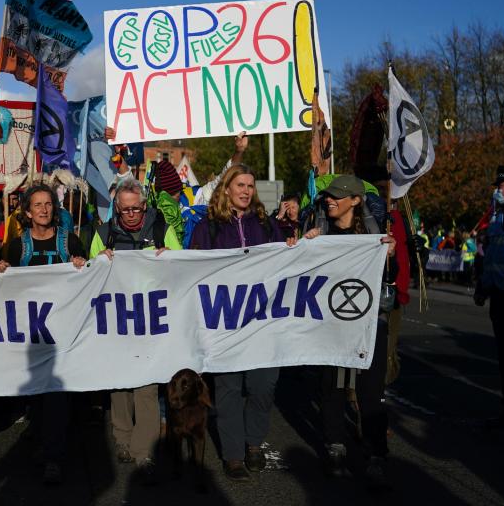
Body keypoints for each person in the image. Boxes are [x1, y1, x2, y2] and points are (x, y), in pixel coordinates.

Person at [188, 163, 285, 481]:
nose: (246, 191)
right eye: (240, 185)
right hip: (225, 322)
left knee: (262, 385)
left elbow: (284, 260)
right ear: (226, 188)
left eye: (250, 185)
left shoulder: (265, 224)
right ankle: (232, 456)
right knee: (228, 388)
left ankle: (254, 443)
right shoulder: (208, 227)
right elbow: (192, 268)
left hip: (261, 321)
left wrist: (296, 246)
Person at [299, 174, 397, 489]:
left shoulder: (374, 235)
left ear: (355, 201)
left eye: (337, 196)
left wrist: (390, 255)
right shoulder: (320, 232)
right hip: (332, 324)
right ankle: (335, 448)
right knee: (332, 386)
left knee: (371, 393)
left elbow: (389, 277)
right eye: (328, 196)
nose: (330, 200)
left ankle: (376, 456)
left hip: (369, 324)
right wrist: (304, 246)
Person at [87, 178, 181, 484]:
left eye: (136, 209)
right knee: (120, 386)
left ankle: (145, 450)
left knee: (147, 386)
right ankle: (123, 441)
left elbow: (183, 267)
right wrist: (97, 262)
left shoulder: (160, 230)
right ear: (117, 208)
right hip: (117, 321)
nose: (131, 215)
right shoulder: (104, 234)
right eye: (125, 210)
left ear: (145, 206)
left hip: (151, 321)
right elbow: (88, 276)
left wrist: (169, 257)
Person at [0, 184, 87, 485]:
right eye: (38, 205)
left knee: (56, 393)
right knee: (37, 394)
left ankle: (54, 456)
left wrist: (82, 266)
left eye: (49, 204)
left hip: (63, 330)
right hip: (30, 333)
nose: (44, 209)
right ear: (28, 211)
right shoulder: (17, 246)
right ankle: (43, 443)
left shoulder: (69, 241)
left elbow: (89, 281)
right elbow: (3, 285)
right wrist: (1, 268)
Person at [474, 165, 504, 429]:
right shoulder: (499, 216)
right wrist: (483, 287)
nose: (497, 190)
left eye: (501, 186)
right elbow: (491, 257)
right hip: (500, 297)